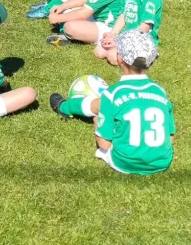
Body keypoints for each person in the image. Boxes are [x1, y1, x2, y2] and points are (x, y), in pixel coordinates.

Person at [50, 29, 175, 175]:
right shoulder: (160, 92)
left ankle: (64, 107)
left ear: (119, 58)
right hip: (162, 162)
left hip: (124, 163)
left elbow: (104, 144)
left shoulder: (112, 94)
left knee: (98, 109)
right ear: (150, 61)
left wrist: (97, 119)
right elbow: (170, 138)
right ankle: (70, 108)